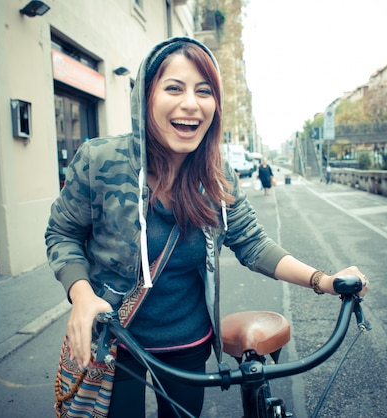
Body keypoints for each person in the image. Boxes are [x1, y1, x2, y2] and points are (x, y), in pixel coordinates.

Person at [45, 37, 369, 418]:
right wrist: (82, 296)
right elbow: (62, 234)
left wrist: (324, 280)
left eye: (204, 91)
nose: (190, 104)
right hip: (115, 337)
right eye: (174, 88)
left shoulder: (218, 176)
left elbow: (253, 243)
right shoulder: (99, 161)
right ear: (145, 98)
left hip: (187, 342)